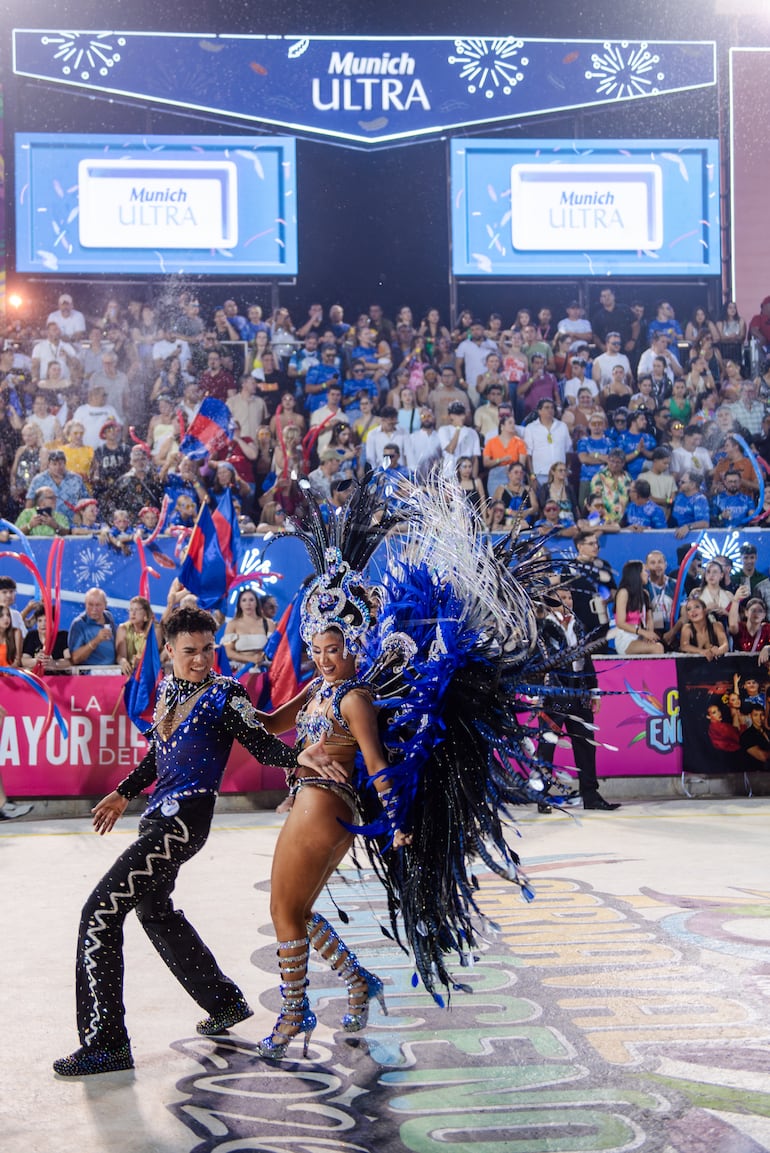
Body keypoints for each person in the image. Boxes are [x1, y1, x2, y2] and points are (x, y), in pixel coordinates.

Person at [52, 605, 335, 1078]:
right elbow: (157, 756)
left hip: (182, 823)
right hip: (156, 820)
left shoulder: (224, 695)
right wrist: (123, 792)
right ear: (168, 651)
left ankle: (106, 1043)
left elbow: (258, 741)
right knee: (154, 910)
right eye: (190, 652)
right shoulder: (168, 690)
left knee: (99, 913)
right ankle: (223, 1002)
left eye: (207, 649)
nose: (202, 659)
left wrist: (294, 757)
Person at [536, 587, 619, 811]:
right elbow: (537, 661)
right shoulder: (543, 627)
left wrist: (594, 691)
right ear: (550, 601)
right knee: (547, 746)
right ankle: (541, 796)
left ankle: (591, 795)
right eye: (561, 597)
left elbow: (587, 659)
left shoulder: (579, 624)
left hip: (579, 693)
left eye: (569, 597)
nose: (567, 601)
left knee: (585, 745)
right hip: (553, 694)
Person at [611, 560, 665, 656]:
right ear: (636, 574)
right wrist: (643, 633)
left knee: (658, 645)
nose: (647, 574)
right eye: (645, 571)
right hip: (626, 637)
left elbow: (649, 619)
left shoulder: (645, 594)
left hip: (640, 635)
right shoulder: (624, 592)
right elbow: (620, 623)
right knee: (657, 648)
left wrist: (649, 634)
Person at [222, 587, 275, 671]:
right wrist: (250, 659)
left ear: (256, 603)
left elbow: (274, 649)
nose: (248, 604)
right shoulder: (232, 624)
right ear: (239, 604)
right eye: (244, 600)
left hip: (264, 670)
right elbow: (228, 652)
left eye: (251, 600)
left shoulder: (269, 623)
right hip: (240, 672)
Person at [68, 588, 117, 668]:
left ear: (105, 605)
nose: (94, 609)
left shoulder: (108, 616)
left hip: (114, 671)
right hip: (90, 674)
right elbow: (75, 659)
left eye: (98, 605)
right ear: (85, 604)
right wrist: (97, 640)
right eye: (90, 605)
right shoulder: (78, 624)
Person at [679, 595, 729, 660]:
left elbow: (725, 645)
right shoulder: (687, 628)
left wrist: (718, 651)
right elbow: (684, 646)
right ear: (688, 616)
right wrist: (702, 651)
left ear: (705, 611)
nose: (693, 611)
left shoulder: (717, 626)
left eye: (697, 607)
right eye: (689, 609)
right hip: (693, 667)